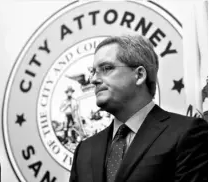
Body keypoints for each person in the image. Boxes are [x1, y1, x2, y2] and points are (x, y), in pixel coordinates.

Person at [69, 34, 208, 182]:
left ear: (139, 75)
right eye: (93, 71)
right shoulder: (84, 150)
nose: (93, 80)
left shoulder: (187, 133)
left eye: (106, 68)